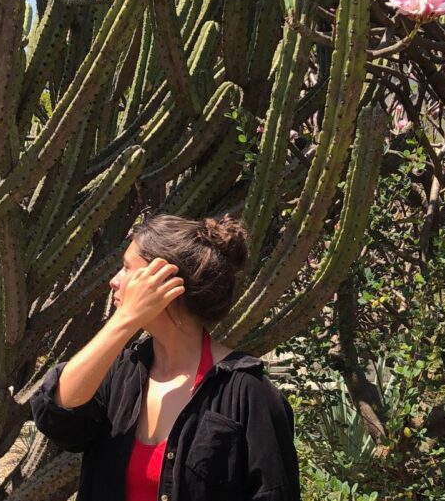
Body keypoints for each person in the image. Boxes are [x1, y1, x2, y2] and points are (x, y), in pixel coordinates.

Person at [30, 213, 300, 501]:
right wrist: (124, 322)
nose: (114, 281)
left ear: (165, 280)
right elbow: (58, 414)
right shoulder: (120, 372)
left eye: (126, 268)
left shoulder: (248, 394)